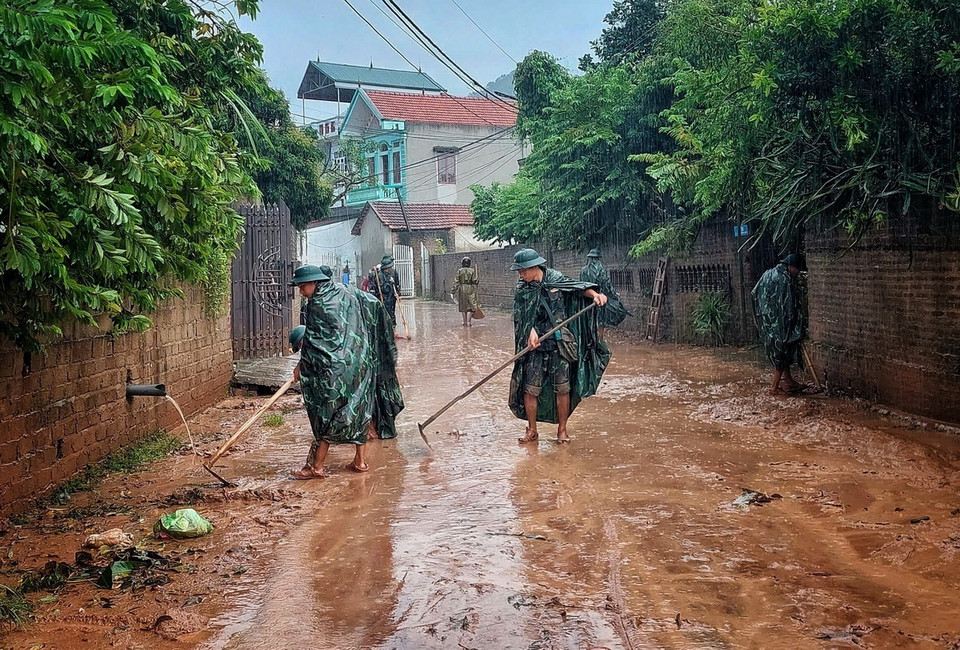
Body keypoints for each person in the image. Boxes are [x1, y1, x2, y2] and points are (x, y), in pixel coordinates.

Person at [288, 264, 403, 479]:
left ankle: (316, 468)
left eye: (303, 287)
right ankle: (359, 462)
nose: (301, 292)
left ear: (315, 283)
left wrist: (301, 366)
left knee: (325, 415)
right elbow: (374, 304)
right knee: (359, 409)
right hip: (360, 363)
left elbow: (314, 342)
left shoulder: (316, 305)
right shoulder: (347, 291)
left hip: (333, 371)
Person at [509, 248, 611, 444]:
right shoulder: (522, 288)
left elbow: (578, 287)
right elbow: (520, 315)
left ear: (534, 267)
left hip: (559, 342)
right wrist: (529, 330)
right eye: (519, 271)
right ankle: (532, 430)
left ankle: (562, 431)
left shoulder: (555, 278)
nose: (520, 274)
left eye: (522, 270)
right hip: (535, 346)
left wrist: (595, 295)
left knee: (562, 388)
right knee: (530, 389)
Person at [751, 253, 805, 396]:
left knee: (780, 352)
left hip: (766, 322)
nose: (798, 273)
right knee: (782, 351)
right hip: (779, 324)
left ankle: (788, 380)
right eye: (797, 269)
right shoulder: (785, 279)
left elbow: (754, 293)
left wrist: (761, 316)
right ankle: (774, 387)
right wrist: (794, 323)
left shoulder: (768, 274)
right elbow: (789, 306)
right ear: (791, 267)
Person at [579, 248, 628, 339]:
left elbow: (581, 286)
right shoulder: (602, 270)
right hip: (600, 299)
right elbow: (607, 285)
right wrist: (614, 295)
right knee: (600, 321)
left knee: (588, 321)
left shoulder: (583, 270)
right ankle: (599, 341)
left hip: (586, 300)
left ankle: (589, 341)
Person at [367, 255, 401, 328]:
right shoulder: (379, 275)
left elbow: (397, 284)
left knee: (391, 313)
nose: (390, 269)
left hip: (391, 298)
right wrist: (390, 283)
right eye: (389, 268)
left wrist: (398, 294)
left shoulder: (393, 273)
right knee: (385, 314)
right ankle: (386, 329)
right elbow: (383, 289)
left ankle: (392, 328)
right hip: (383, 299)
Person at [451, 256, 481, 327]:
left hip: (462, 289)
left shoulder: (459, 271)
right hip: (470, 288)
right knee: (471, 305)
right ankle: (468, 322)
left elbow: (456, 282)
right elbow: (474, 281)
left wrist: (453, 291)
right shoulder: (472, 271)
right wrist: (477, 281)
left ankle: (464, 322)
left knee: (463, 306)